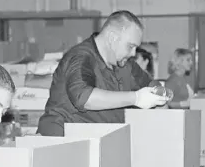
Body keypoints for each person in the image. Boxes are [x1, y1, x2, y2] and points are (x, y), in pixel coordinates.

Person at [37, 10, 168, 136]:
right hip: (64, 142)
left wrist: (159, 94)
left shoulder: (125, 64)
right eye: (130, 46)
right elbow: (84, 98)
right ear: (112, 38)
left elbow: (149, 83)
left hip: (101, 141)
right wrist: (136, 98)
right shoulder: (81, 57)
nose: (133, 53)